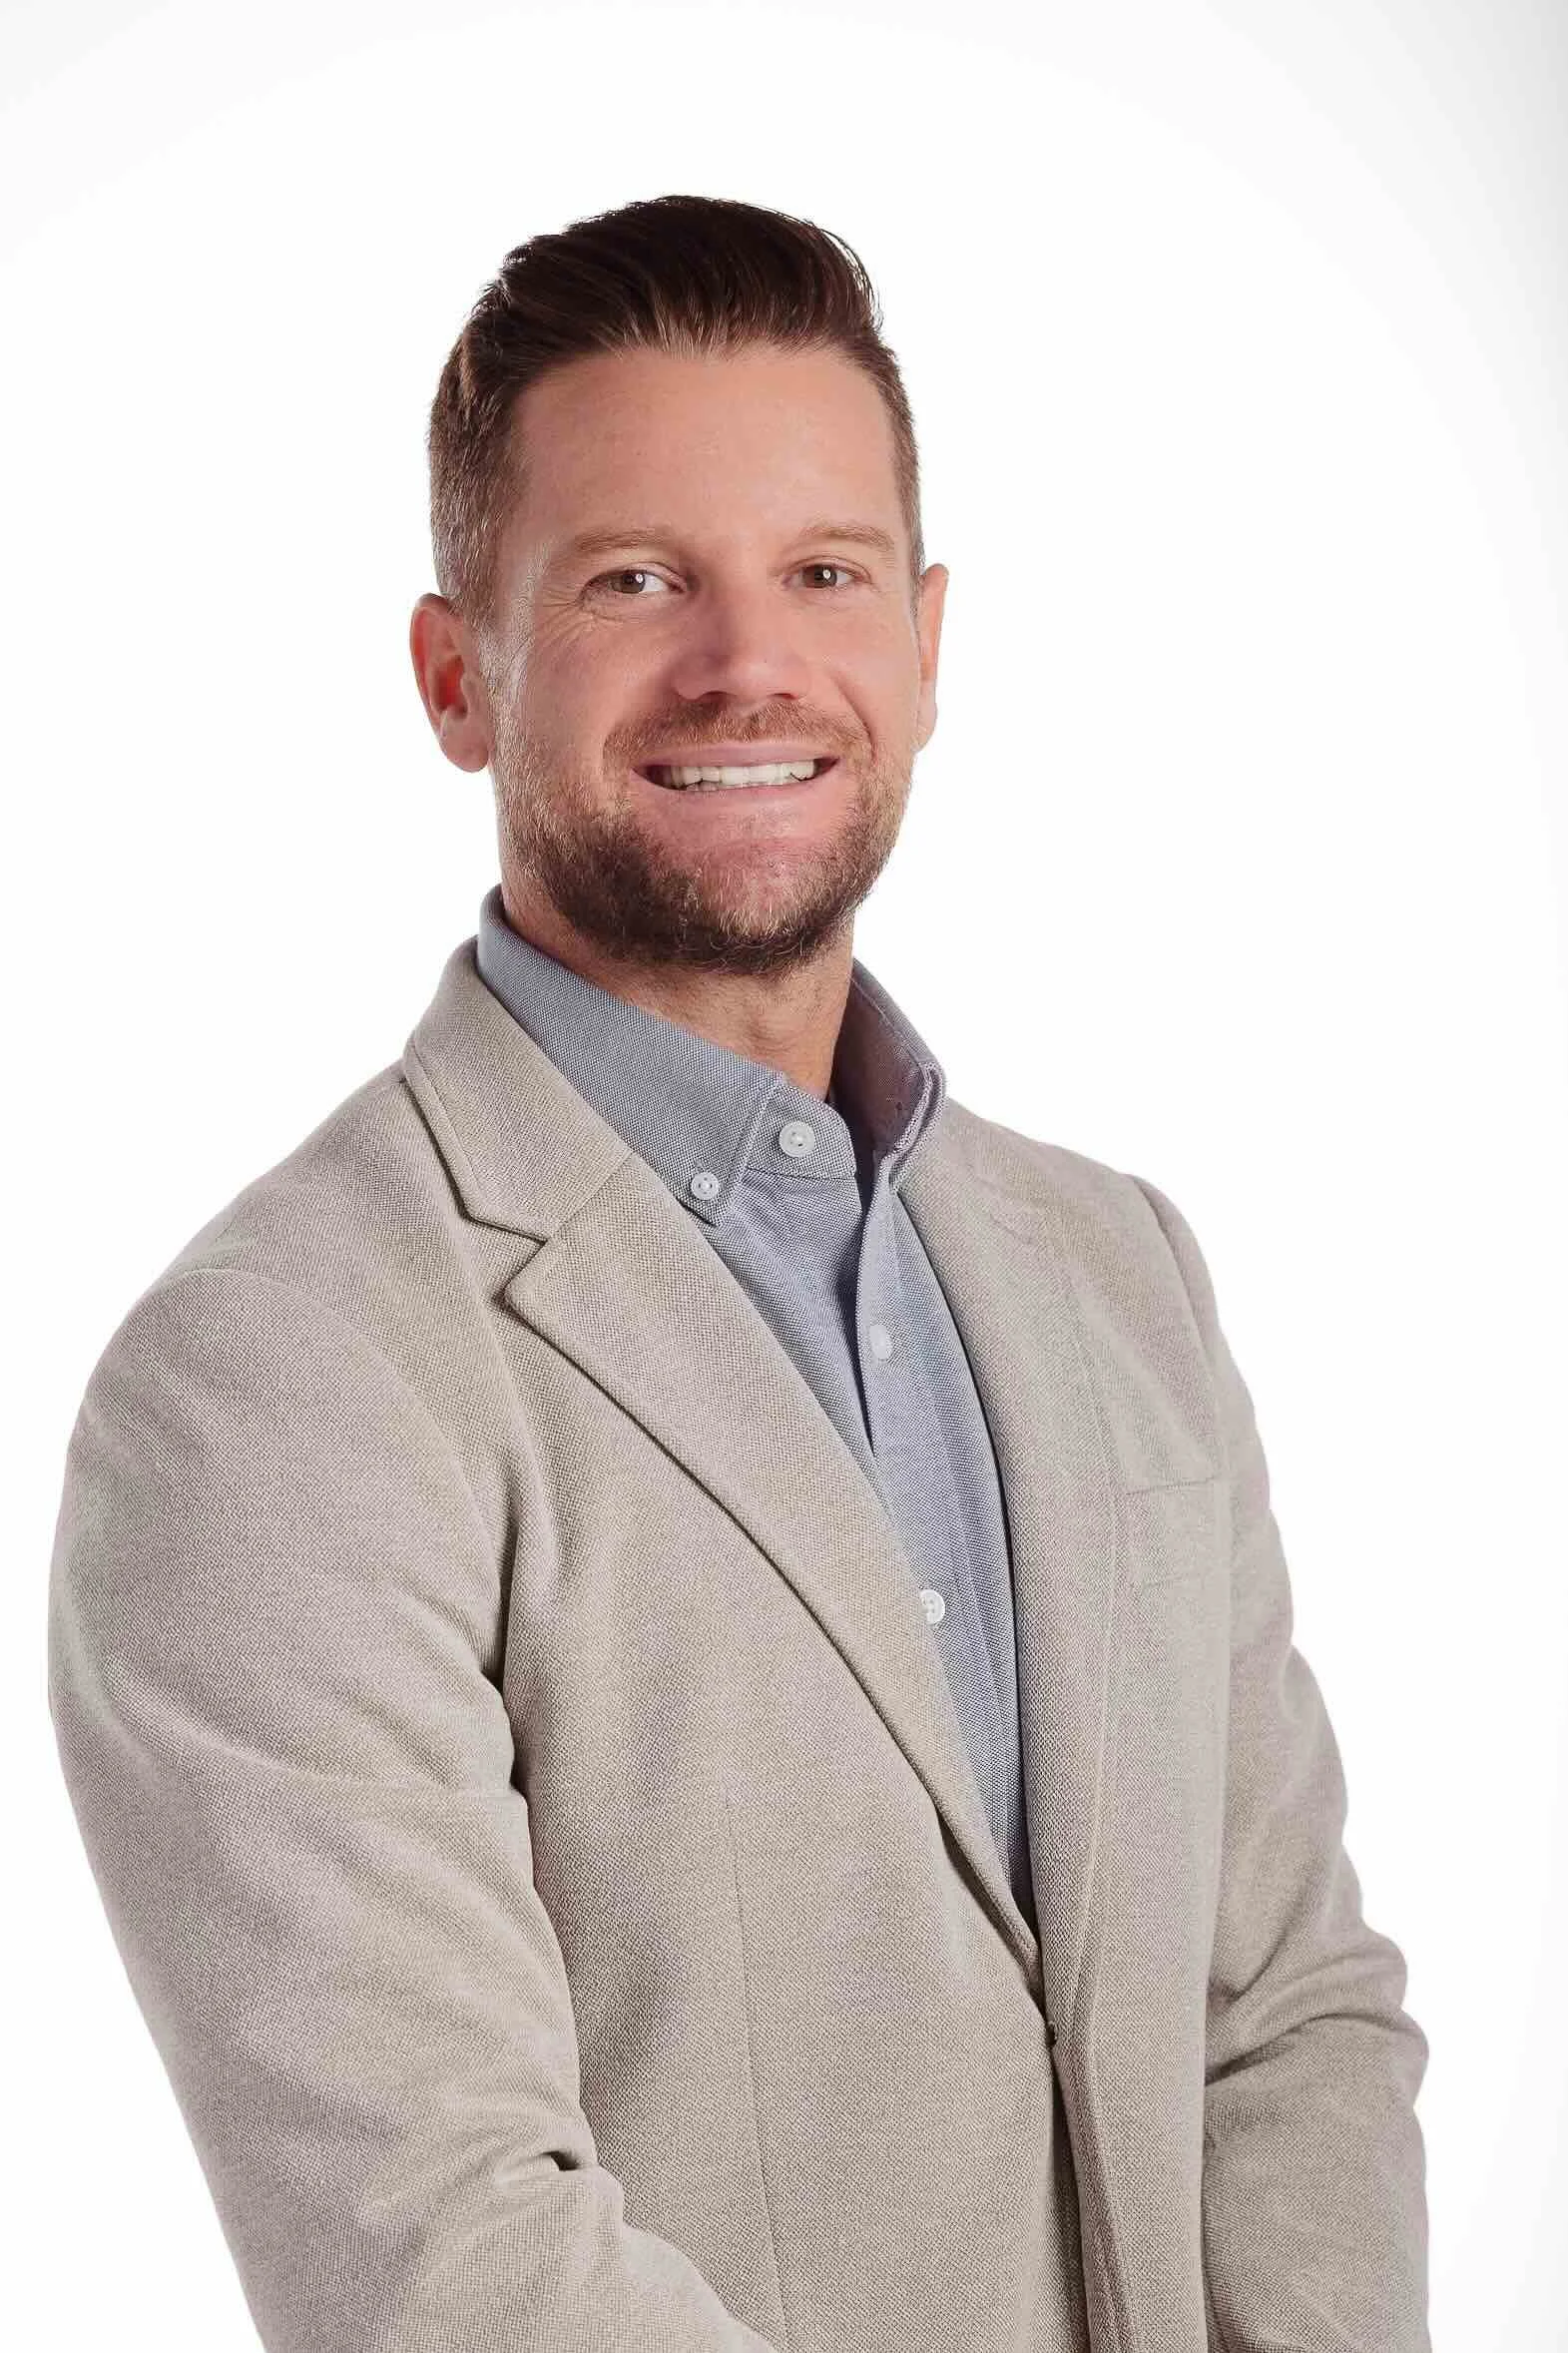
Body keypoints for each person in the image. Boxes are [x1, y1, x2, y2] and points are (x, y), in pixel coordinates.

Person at [47, 193, 1429, 2353]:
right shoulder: (271, 1376)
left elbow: (1284, 2016)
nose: (744, 663)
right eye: (631, 580)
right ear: (454, 675)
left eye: (823, 574)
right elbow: (445, 2253)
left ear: (926, 642)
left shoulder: (1116, 1272)